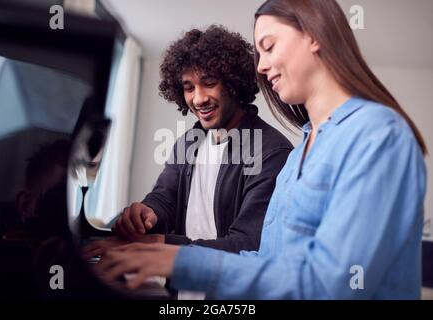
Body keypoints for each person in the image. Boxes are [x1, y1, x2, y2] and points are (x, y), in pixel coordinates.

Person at [94, 0, 428, 300]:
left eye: (268, 47)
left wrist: (179, 257)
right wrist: (159, 250)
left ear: (314, 35)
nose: (262, 66)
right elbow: (268, 260)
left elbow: (332, 284)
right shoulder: (301, 152)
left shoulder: (377, 135)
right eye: (259, 54)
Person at [85, 25, 292, 259]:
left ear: (234, 83)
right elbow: (165, 196)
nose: (199, 98)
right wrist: (149, 212)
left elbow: (248, 245)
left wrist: (162, 244)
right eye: (189, 88)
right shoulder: (189, 143)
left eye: (209, 82)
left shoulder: (272, 153)